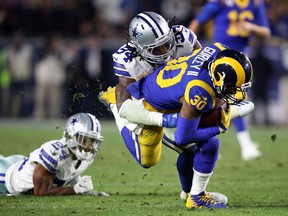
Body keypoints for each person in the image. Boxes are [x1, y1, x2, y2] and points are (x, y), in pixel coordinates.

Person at [126, 43, 253, 208]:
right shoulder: (199, 91)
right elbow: (182, 137)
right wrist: (220, 126)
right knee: (210, 142)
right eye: (231, 89)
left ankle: (190, 194)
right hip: (149, 107)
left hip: (166, 88)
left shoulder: (220, 50)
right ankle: (196, 198)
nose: (239, 95)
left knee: (194, 150)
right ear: (217, 78)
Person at [188, 0, 271, 161]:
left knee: (230, 100)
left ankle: (215, 144)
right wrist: (188, 48)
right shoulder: (220, 2)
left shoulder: (254, 3)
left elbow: (266, 32)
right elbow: (197, 23)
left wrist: (251, 27)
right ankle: (242, 144)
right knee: (220, 99)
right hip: (220, 57)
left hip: (241, 59)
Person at [0, 113, 109, 196]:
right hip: (7, 177)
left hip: (23, 165)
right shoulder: (54, 153)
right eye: (84, 139)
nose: (89, 146)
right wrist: (75, 190)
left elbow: (69, 175)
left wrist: (86, 191)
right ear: (71, 134)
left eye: (92, 141)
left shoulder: (86, 158)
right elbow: (41, 193)